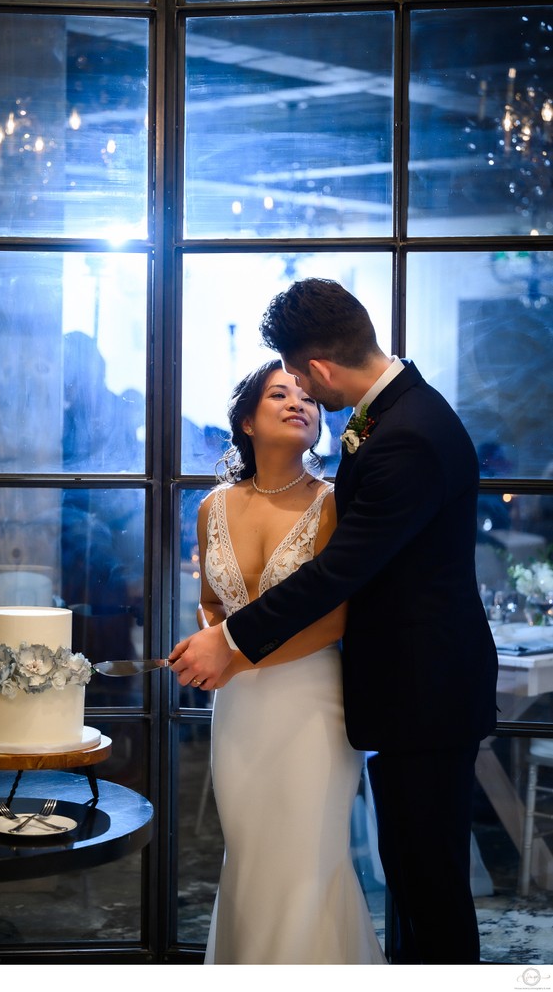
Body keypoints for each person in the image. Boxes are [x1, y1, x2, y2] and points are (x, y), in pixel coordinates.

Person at [170, 277, 498, 964]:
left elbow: (337, 575)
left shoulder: (404, 435)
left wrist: (230, 641)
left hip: (421, 693)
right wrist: (220, 630)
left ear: (317, 369)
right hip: (394, 694)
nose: (303, 399)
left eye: (299, 382)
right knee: (412, 880)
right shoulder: (397, 416)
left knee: (428, 889)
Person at [197, 358, 385, 965]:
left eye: (307, 396)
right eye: (280, 394)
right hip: (239, 711)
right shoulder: (213, 507)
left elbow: (336, 618)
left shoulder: (333, 505)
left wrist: (232, 656)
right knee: (251, 855)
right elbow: (210, 599)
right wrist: (213, 642)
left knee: (308, 857)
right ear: (247, 420)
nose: (298, 403)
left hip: (312, 702)